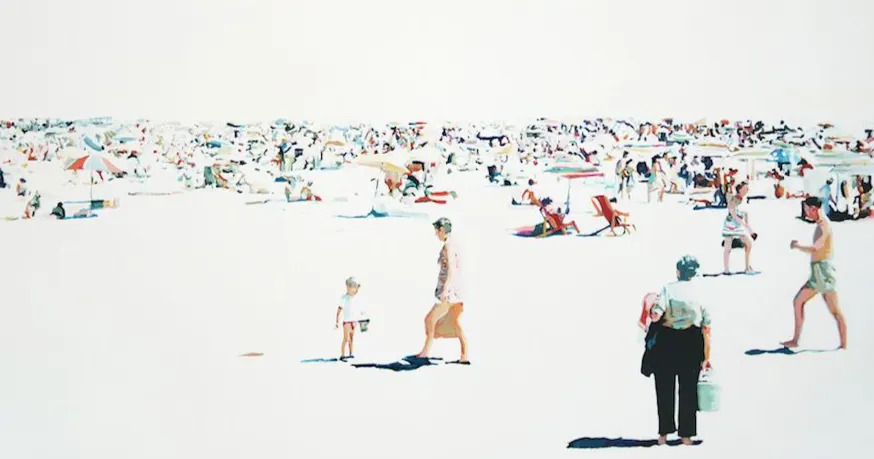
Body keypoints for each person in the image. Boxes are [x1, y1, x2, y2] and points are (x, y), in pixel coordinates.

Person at [649, 255, 711, 446]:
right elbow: (706, 328)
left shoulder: (668, 288)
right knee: (688, 390)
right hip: (692, 341)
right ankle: (686, 436)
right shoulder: (701, 292)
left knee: (664, 389)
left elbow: (655, 316)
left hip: (667, 341)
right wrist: (707, 356)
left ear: (678, 272)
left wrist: (651, 308)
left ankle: (663, 435)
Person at [782, 197, 848, 350]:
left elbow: (816, 248)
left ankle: (844, 345)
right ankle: (795, 340)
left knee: (834, 309)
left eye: (807, 210)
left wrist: (797, 246)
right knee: (798, 301)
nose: (806, 213)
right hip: (818, 271)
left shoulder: (824, 225)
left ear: (814, 209)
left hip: (823, 272)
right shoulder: (821, 224)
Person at [416, 217, 469, 363]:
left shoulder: (448, 246)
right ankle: (464, 355)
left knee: (430, 320)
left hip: (450, 291)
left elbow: (451, 269)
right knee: (454, 322)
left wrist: (445, 289)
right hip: (457, 290)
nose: (435, 234)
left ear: (442, 230)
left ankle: (425, 353)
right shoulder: (454, 243)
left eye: (436, 231)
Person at [722, 181, 756, 274]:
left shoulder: (745, 200)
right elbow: (734, 215)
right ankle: (726, 269)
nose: (747, 190)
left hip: (739, 225)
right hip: (730, 225)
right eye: (745, 188)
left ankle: (747, 267)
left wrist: (750, 231)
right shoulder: (733, 200)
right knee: (727, 247)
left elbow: (746, 215)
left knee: (748, 244)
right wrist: (746, 227)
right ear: (740, 189)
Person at [335, 277, 365, 361]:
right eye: (353, 287)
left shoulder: (356, 298)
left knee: (352, 338)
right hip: (347, 321)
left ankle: (351, 353)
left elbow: (358, 309)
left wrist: (362, 317)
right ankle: (342, 355)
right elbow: (339, 310)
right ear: (348, 287)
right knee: (346, 339)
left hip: (353, 320)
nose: (355, 290)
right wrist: (337, 321)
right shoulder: (344, 298)